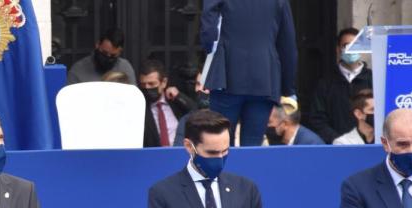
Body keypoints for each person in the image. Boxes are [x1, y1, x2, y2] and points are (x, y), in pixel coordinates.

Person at [201, 0, 297, 146]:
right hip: (265, 77)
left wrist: (210, 49)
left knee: (220, 142)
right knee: (253, 146)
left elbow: (208, 31)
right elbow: (288, 45)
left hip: (227, 74)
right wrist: (288, 88)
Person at [306, 28, 374, 144]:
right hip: (337, 148)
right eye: (346, 45)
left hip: (369, 147)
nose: (351, 49)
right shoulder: (326, 84)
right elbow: (317, 119)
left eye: (355, 45)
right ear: (338, 49)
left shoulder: (373, 79)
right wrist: (336, 139)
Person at [140, 60, 198, 148]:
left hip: (180, 153)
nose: (147, 88)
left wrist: (179, 96)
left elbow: (196, 112)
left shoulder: (175, 101)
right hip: (154, 156)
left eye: (151, 84)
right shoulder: (140, 108)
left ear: (163, 82)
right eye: (143, 85)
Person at [67, 28, 136, 85]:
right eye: (104, 53)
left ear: (120, 51)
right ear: (97, 44)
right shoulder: (78, 70)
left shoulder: (125, 68)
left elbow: (133, 97)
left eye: (113, 55)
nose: (108, 58)